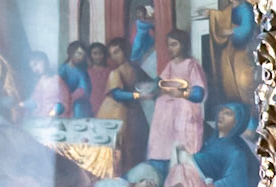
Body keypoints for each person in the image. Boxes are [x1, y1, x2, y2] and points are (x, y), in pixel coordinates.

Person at [194, 103, 258, 187]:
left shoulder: (236, 150)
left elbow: (236, 182)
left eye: (228, 114)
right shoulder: (211, 142)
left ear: (237, 122)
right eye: (221, 111)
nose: (221, 116)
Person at [146, 31, 207, 167]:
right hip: (169, 105)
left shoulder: (191, 64)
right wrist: (154, 87)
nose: (170, 48)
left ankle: (182, 160)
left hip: (185, 103)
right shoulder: (171, 64)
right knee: (162, 105)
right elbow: (160, 81)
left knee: (182, 110)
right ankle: (162, 157)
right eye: (169, 45)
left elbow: (199, 93)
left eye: (174, 44)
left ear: (183, 45)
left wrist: (181, 94)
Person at [202, 0, 259, 108]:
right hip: (228, 52)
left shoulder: (246, 9)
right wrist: (211, 14)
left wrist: (230, 31)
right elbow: (222, 18)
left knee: (243, 82)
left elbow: (247, 28)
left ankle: (248, 109)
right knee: (227, 83)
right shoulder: (230, 8)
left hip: (241, 52)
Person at [96, 37, 150, 172]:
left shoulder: (135, 69)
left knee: (137, 144)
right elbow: (117, 95)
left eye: (117, 52)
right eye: (112, 54)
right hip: (116, 112)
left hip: (133, 112)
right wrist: (138, 95)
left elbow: (148, 83)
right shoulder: (116, 73)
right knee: (121, 146)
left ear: (126, 50)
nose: (115, 57)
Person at [20, 51, 69, 122]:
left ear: (45, 61)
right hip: (41, 116)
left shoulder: (57, 79)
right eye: (32, 67)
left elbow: (64, 100)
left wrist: (54, 112)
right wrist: (21, 104)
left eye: (36, 64)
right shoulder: (40, 82)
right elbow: (36, 99)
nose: (34, 70)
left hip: (55, 117)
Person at [58, 41, 92, 117]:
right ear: (71, 53)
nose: (81, 57)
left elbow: (84, 89)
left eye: (83, 55)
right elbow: (58, 86)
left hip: (78, 103)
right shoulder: (63, 69)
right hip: (65, 102)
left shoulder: (82, 71)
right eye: (79, 53)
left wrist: (74, 97)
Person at [87, 41, 111, 113]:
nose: (98, 57)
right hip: (91, 106)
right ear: (90, 55)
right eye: (95, 53)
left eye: (100, 53)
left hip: (108, 106)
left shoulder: (110, 71)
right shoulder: (87, 72)